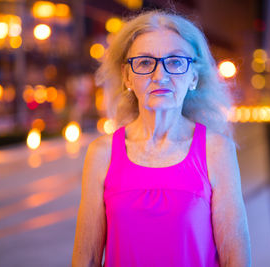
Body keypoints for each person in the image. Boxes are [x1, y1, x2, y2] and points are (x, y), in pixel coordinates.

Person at [72, 10, 251, 267]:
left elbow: (236, 260)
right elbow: (85, 259)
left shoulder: (216, 150)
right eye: (145, 63)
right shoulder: (102, 153)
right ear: (127, 76)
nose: (159, 76)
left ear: (194, 77)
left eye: (176, 62)